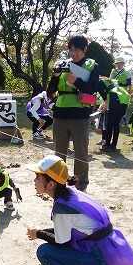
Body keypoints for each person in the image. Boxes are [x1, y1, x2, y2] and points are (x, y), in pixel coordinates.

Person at [25, 155, 133, 265]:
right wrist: (39, 231)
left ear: (51, 184)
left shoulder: (62, 209)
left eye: (37, 178)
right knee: (60, 247)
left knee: (44, 251)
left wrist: (39, 234)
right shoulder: (72, 194)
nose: (34, 181)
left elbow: (62, 243)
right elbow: (68, 231)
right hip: (108, 251)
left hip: (100, 259)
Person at [47, 35, 100, 191]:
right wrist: (55, 76)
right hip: (60, 115)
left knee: (81, 153)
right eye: (71, 49)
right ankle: (58, 183)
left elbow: (92, 88)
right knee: (59, 153)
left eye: (76, 49)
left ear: (84, 49)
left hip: (80, 116)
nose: (73, 53)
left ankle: (81, 185)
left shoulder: (92, 66)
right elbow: (50, 91)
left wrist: (76, 80)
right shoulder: (63, 65)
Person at [97, 77, 130, 152]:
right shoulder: (110, 81)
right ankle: (113, 145)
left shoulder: (99, 83)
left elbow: (105, 98)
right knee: (116, 124)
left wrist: (103, 108)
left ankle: (107, 145)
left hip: (115, 101)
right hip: (124, 100)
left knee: (110, 124)